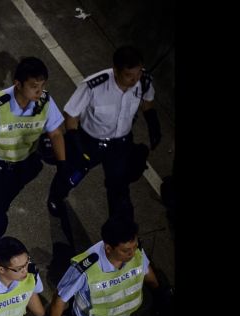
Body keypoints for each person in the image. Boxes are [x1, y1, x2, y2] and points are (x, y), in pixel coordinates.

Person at [0, 56, 65, 266]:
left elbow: (55, 133)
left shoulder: (44, 102)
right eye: (34, 86)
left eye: (42, 85)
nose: (39, 91)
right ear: (17, 84)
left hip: (20, 168)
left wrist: (63, 165)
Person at [47, 45, 160, 222]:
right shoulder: (95, 85)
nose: (134, 80)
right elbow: (71, 114)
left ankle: (118, 228)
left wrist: (153, 124)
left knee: (119, 187)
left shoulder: (143, 81)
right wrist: (74, 140)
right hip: (90, 141)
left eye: (138, 73)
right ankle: (56, 196)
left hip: (120, 144)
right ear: (115, 70)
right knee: (72, 174)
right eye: (129, 75)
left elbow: (147, 101)